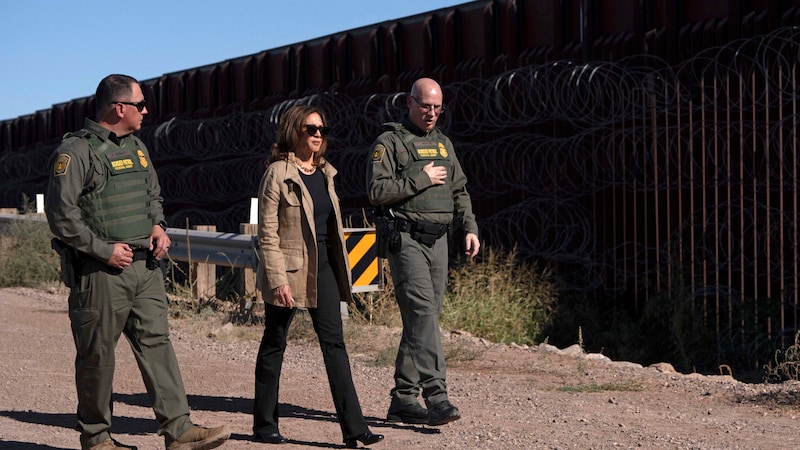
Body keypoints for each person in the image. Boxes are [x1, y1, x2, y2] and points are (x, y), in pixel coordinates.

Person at [45, 74, 230, 450]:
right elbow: (62, 216)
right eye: (140, 104)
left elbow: (153, 194)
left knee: (157, 344)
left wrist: (159, 226)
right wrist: (102, 249)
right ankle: (97, 438)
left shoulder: (137, 147)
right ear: (119, 108)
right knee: (97, 355)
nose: (146, 111)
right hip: (100, 273)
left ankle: (178, 431)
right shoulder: (76, 153)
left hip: (145, 269)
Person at [253, 105, 384, 448]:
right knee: (275, 342)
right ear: (293, 131)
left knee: (335, 344)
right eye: (310, 128)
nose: (317, 135)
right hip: (290, 268)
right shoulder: (277, 174)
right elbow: (266, 233)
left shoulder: (326, 172)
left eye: (322, 130)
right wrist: (277, 278)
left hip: (323, 266)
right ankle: (264, 425)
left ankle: (354, 428)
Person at [366, 77, 480, 426]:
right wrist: (421, 179)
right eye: (426, 106)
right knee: (422, 315)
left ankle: (403, 398)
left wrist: (470, 226)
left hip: (439, 242)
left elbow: (459, 189)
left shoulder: (443, 144)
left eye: (437, 108)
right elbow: (376, 191)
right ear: (410, 103)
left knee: (423, 320)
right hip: (407, 240)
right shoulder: (390, 142)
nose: (431, 114)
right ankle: (437, 395)